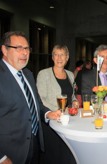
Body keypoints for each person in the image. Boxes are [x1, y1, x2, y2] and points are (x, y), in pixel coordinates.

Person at [0, 31, 60, 164]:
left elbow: (35, 104)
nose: (25, 53)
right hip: (10, 153)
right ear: (4, 49)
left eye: (27, 48)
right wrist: (1, 157)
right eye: (19, 48)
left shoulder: (28, 74)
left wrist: (49, 113)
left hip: (34, 146)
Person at [36, 44, 77, 164]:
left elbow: (72, 94)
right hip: (51, 123)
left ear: (67, 57)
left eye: (62, 55)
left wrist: (74, 101)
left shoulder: (70, 74)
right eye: (56, 54)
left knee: (67, 154)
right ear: (52, 57)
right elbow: (41, 99)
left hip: (67, 121)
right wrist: (53, 112)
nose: (59, 58)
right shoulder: (43, 74)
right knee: (54, 157)